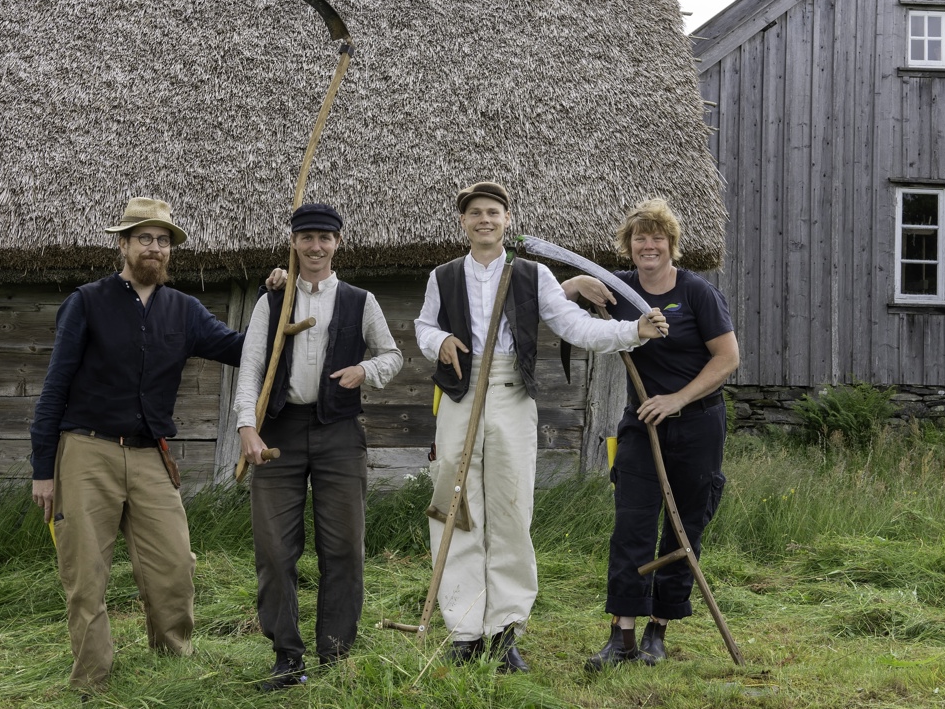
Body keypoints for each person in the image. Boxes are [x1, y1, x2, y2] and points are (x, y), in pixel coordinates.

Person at [413, 181, 671, 673]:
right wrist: (439, 339)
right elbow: (424, 325)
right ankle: (465, 631)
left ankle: (504, 632)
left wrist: (631, 332)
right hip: (460, 396)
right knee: (454, 507)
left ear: (507, 220)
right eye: (475, 213)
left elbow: (574, 326)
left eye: (493, 212)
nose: (485, 220)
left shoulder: (532, 274)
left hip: (511, 394)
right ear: (463, 222)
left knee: (511, 509)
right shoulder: (442, 276)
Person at [29, 197, 245, 694]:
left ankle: (171, 668)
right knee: (85, 575)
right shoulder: (87, 302)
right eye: (144, 238)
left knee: (175, 566)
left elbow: (240, 348)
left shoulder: (184, 310)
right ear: (123, 245)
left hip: (151, 455)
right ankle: (92, 683)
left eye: (163, 240)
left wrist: (277, 299)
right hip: (87, 451)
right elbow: (54, 387)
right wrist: (44, 470)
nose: (154, 247)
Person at [561, 198, 739, 670]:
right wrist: (576, 284)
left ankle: (658, 628)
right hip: (641, 424)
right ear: (629, 244)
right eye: (640, 237)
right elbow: (551, 307)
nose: (649, 245)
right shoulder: (618, 291)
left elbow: (727, 358)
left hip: (698, 422)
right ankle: (621, 636)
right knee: (632, 524)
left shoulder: (697, 293)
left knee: (685, 524)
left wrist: (678, 398)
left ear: (671, 244)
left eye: (657, 237)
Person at [234, 203, 403, 691]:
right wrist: (247, 426)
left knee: (344, 547)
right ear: (293, 242)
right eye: (306, 237)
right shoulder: (272, 302)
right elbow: (251, 367)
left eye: (324, 238)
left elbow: (392, 355)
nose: (315, 246)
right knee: (273, 549)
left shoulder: (360, 300)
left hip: (339, 433)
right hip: (279, 432)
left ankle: (335, 655)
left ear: (337, 243)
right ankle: (287, 658)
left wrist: (365, 371)